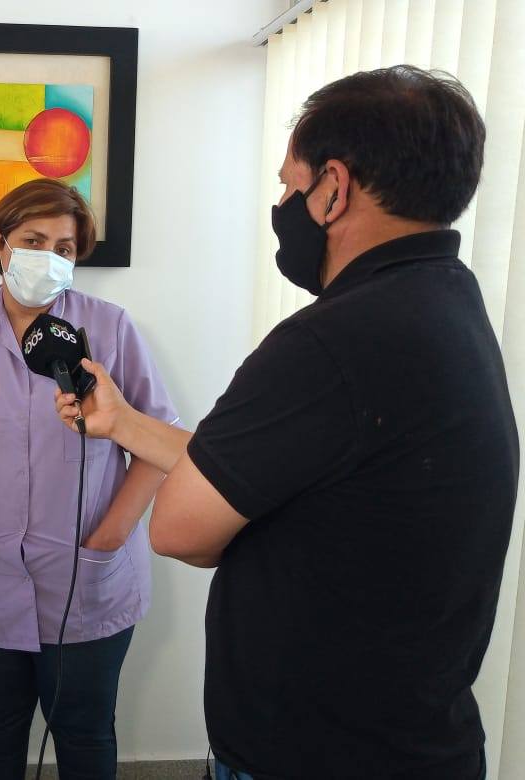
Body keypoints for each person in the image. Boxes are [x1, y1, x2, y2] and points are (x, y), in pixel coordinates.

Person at [56, 66, 518, 779]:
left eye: (288, 184)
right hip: (412, 737)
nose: (281, 205)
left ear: (333, 187)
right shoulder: (442, 301)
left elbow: (180, 529)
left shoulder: (331, 341)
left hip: (312, 752)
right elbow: (261, 470)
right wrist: (122, 424)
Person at [0, 178, 179, 778]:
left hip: (88, 574)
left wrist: (108, 538)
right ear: (0, 243)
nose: (49, 257)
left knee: (84, 732)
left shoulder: (110, 328)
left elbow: (158, 445)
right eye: (33, 240)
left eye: (64, 248)